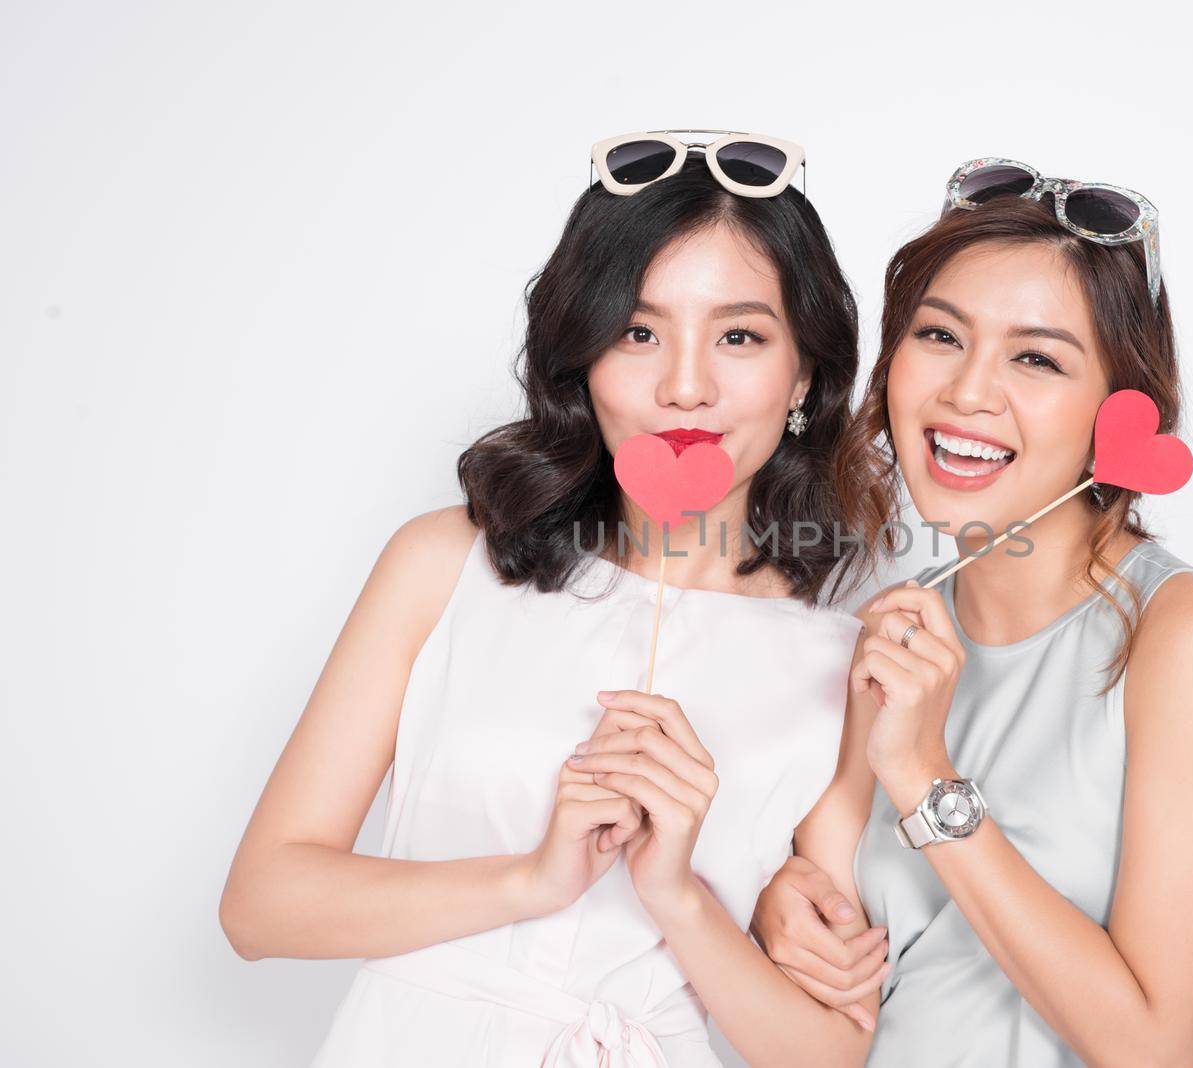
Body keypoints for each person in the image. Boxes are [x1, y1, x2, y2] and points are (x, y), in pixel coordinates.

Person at [219, 131, 895, 1066]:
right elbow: (261, 908)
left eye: (739, 335)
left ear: (805, 376)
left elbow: (828, 1053)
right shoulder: (445, 564)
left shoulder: (840, 656)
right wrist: (533, 880)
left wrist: (679, 896)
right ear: (581, 359)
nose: (686, 385)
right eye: (639, 332)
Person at [748, 162, 1193, 1066]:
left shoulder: (1187, 637)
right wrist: (777, 910)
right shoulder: (894, 630)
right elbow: (835, 972)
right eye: (940, 336)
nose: (968, 392)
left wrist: (923, 778)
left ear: (1119, 410)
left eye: (1036, 357)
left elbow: (1156, 1046)